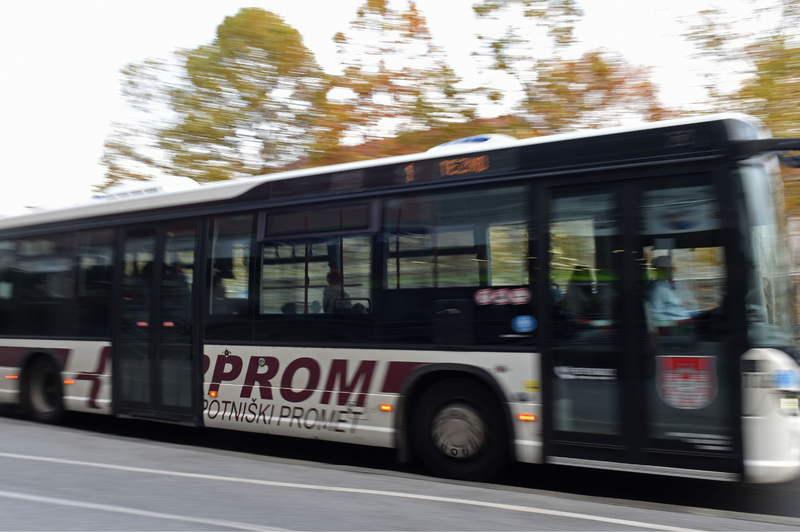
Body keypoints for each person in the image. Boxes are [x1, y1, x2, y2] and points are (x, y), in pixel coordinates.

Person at [648, 255, 703, 322]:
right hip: (677, 326)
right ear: (661, 269)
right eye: (669, 266)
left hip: (683, 320)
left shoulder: (666, 287)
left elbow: (679, 313)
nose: (672, 269)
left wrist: (701, 312)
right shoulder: (658, 289)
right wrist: (673, 323)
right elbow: (654, 315)